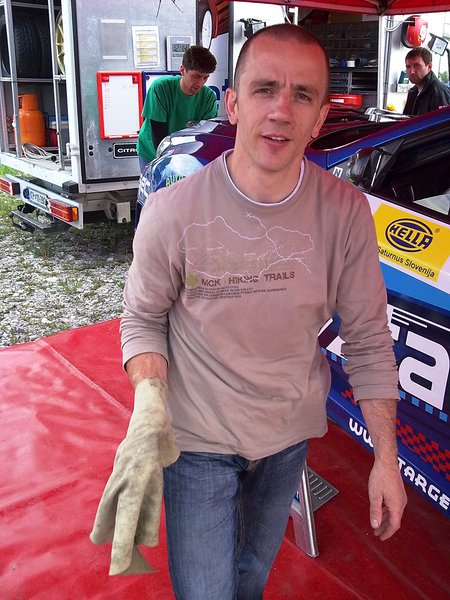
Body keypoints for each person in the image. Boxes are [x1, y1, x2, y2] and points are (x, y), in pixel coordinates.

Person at [91, 24, 407, 598]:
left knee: (251, 575)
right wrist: (149, 408)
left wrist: (387, 458)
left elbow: (367, 337)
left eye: (302, 95)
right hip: (197, 442)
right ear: (233, 104)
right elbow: (143, 319)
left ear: (321, 117)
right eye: (265, 89)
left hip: (288, 437)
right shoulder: (172, 211)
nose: (281, 110)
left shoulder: (345, 212)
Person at [137, 45, 218, 174]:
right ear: (182, 70)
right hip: (152, 151)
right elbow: (158, 135)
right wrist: (167, 167)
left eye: (205, 78)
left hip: (185, 156)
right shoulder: (160, 88)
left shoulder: (208, 96)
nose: (200, 83)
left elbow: (207, 134)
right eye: (196, 76)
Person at [403, 46, 450, 116]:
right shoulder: (413, 92)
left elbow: (443, 122)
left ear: (429, 66)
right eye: (408, 66)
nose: (412, 72)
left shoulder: (439, 92)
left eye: (417, 66)